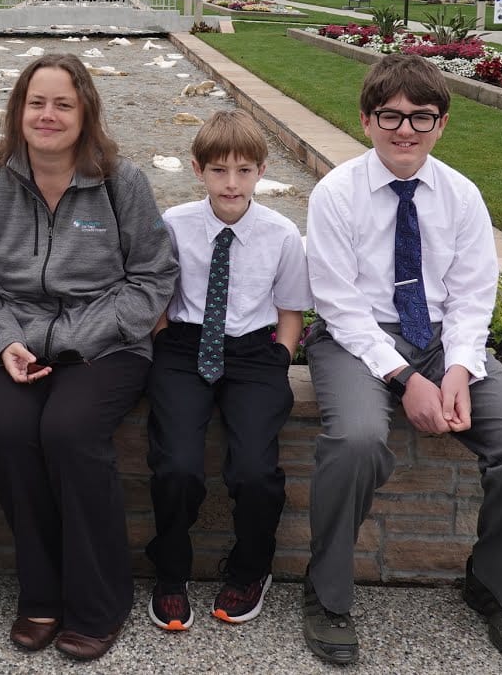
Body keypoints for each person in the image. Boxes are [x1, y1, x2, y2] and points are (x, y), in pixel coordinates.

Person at [301, 54, 502, 666]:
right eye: (390, 115)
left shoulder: (461, 195)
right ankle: (327, 593)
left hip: (443, 339)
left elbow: (473, 295)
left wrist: (462, 370)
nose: (405, 130)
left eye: (422, 117)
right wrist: (407, 380)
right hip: (356, 339)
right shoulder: (336, 194)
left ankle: (494, 586)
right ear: (366, 120)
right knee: (359, 440)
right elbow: (338, 305)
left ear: (442, 124)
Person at [0, 53, 179, 663]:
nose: (47, 115)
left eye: (63, 104)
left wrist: (73, 338)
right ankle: (41, 592)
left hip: (105, 343)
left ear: (86, 113)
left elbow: (154, 276)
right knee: (9, 430)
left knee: (70, 431)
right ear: (18, 110)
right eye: (36, 103)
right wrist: (3, 341)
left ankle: (100, 601)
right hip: (15, 338)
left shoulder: (119, 180)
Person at [145, 110, 313, 632]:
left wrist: (281, 358)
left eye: (244, 170)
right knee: (176, 466)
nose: (232, 183)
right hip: (185, 346)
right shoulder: (174, 224)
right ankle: (170, 573)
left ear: (261, 171)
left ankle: (250, 569)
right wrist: (163, 341)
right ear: (197, 170)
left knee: (254, 472)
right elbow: (159, 297)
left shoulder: (282, 234)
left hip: (253, 353)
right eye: (219, 170)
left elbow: (291, 311)